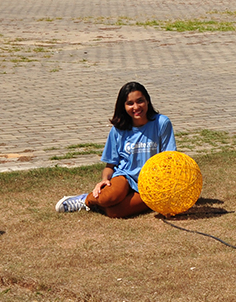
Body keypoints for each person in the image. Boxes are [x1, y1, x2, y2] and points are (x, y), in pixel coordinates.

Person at [55, 82, 176, 218]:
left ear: (147, 100)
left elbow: (170, 159)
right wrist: (104, 180)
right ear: (123, 106)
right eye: (130, 103)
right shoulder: (118, 129)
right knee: (108, 198)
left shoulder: (161, 123)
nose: (136, 107)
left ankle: (104, 203)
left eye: (140, 101)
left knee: (115, 212)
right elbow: (110, 165)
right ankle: (86, 200)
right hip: (125, 177)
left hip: (152, 184)